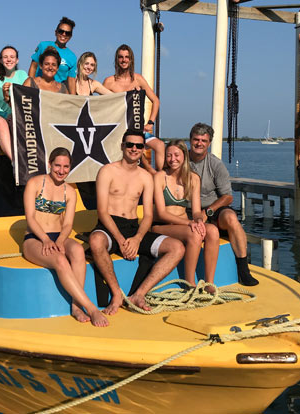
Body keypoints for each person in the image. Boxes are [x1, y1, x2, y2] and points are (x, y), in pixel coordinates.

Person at [89, 130, 185, 314]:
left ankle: (139, 294)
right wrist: (120, 239)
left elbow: (148, 215)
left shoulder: (145, 177)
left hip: (133, 227)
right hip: (109, 226)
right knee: (95, 241)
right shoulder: (107, 171)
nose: (134, 149)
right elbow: (102, 211)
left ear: (143, 149)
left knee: (177, 248)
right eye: (130, 144)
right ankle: (116, 294)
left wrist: (137, 239)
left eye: (139, 146)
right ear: (122, 146)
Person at [23, 147, 108, 327]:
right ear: (49, 164)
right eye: (57, 166)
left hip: (58, 235)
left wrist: (60, 240)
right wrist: (45, 240)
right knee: (60, 260)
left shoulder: (69, 192)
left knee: (78, 250)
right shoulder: (34, 183)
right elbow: (30, 218)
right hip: (35, 237)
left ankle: (76, 306)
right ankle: (91, 308)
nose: (61, 171)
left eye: (66, 167)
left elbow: (68, 224)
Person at [188, 123, 258, 286]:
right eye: (196, 139)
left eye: (204, 140)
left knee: (231, 218)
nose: (199, 143)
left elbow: (228, 197)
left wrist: (208, 212)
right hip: (187, 209)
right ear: (190, 140)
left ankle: (243, 270)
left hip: (212, 209)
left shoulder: (216, 164)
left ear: (209, 143)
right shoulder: (180, 160)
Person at [152, 140, 219, 292]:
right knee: (195, 234)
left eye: (176, 155)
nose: (172, 159)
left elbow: (196, 212)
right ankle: (189, 284)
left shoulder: (193, 178)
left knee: (213, 231)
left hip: (184, 225)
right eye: (169, 155)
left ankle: (209, 284)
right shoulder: (160, 177)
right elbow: (162, 213)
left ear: (184, 156)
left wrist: (199, 220)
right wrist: (189, 223)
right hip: (162, 226)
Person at [103, 44, 165, 173]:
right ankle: (149, 171)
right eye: (121, 57)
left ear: (131, 60)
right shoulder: (109, 82)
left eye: (127, 57)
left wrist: (150, 122)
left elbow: (155, 101)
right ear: (116, 60)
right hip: (118, 130)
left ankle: (161, 177)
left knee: (160, 145)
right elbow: (101, 107)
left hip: (137, 128)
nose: (124, 60)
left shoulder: (138, 79)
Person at [0, 46, 28, 161]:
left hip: (17, 117)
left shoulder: (22, 75)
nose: (9, 60)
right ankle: (15, 161)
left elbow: (27, 97)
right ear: (0, 60)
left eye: (12, 57)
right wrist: (4, 114)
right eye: (5, 57)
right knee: (2, 123)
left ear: (17, 60)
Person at [29, 17, 77, 94]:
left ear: (71, 36)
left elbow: (71, 80)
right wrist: (30, 88)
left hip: (57, 94)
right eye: (61, 31)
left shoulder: (72, 57)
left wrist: (74, 99)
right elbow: (33, 67)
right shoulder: (43, 45)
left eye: (67, 33)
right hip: (39, 90)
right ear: (56, 32)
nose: (64, 34)